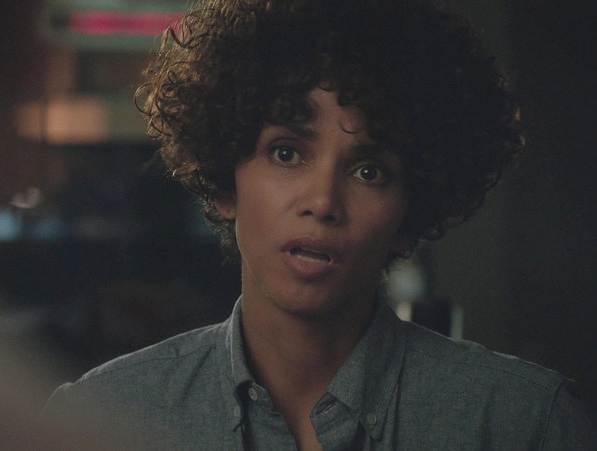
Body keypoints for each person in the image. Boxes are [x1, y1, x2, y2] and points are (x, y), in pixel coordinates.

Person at [40, 0, 597, 449]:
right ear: (228, 181)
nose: (323, 201)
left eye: (368, 170)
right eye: (286, 153)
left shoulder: (522, 423)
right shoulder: (99, 420)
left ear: (410, 216)